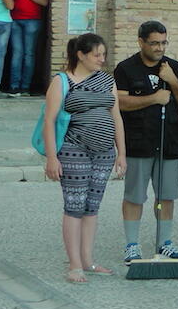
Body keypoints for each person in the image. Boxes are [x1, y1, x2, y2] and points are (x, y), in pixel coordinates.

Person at [43, 33, 126, 283]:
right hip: (73, 149)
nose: (102, 59)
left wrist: (121, 152)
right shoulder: (62, 81)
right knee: (74, 206)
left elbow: (117, 117)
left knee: (92, 207)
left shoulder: (107, 80)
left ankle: (88, 261)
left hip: (104, 153)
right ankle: (75, 265)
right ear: (81, 55)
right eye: (96, 55)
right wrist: (51, 158)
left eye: (104, 55)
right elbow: (50, 121)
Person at [115, 21, 178, 265]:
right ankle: (132, 245)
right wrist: (153, 98)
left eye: (163, 43)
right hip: (139, 141)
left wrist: (173, 80)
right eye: (154, 43)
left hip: (169, 141)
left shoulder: (173, 67)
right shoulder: (126, 69)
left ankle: (164, 242)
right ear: (141, 42)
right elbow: (121, 103)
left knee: (166, 196)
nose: (159, 48)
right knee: (135, 196)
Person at [7, 0, 46, 96]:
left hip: (32, 20)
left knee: (28, 54)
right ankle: (14, 87)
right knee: (17, 53)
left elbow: (44, 2)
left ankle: (25, 88)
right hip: (15, 20)